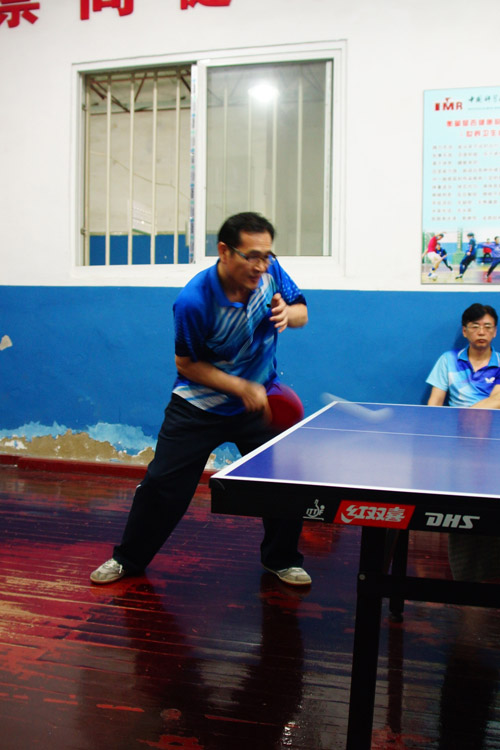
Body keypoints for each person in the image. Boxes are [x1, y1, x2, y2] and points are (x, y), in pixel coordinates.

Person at [90, 212, 312, 587]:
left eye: (266, 255)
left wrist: (288, 313)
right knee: (162, 487)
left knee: (284, 481)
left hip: (259, 403)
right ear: (224, 251)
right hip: (198, 407)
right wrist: (240, 387)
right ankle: (128, 559)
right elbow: (187, 364)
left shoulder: (270, 272)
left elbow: (303, 312)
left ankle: (282, 559)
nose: (260, 265)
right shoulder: (194, 301)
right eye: (251, 256)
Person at [426, 302, 500, 581]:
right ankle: (465, 572)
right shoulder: (448, 360)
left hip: (493, 439)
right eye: (475, 326)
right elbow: (434, 404)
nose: (482, 332)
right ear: (465, 331)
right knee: (463, 505)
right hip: (456, 443)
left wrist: (464, 417)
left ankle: (490, 569)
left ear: (495, 332)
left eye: (488, 327)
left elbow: (497, 401)